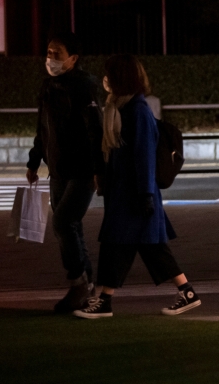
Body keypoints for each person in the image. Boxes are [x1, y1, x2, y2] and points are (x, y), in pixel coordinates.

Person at [74, 54, 200, 319]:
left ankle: (106, 301)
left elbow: (144, 155)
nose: (105, 79)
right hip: (128, 194)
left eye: (109, 74)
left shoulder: (137, 110)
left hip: (135, 195)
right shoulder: (123, 107)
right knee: (147, 247)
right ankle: (186, 293)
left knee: (118, 244)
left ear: (120, 78)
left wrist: (144, 195)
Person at [26, 32, 103, 313]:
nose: (50, 58)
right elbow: (42, 128)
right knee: (71, 226)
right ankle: (88, 284)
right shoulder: (49, 86)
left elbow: (95, 129)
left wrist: (99, 169)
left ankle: (78, 283)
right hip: (57, 169)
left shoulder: (83, 87)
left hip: (82, 170)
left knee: (62, 222)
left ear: (73, 58)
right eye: (48, 52)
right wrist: (34, 161)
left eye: (57, 53)